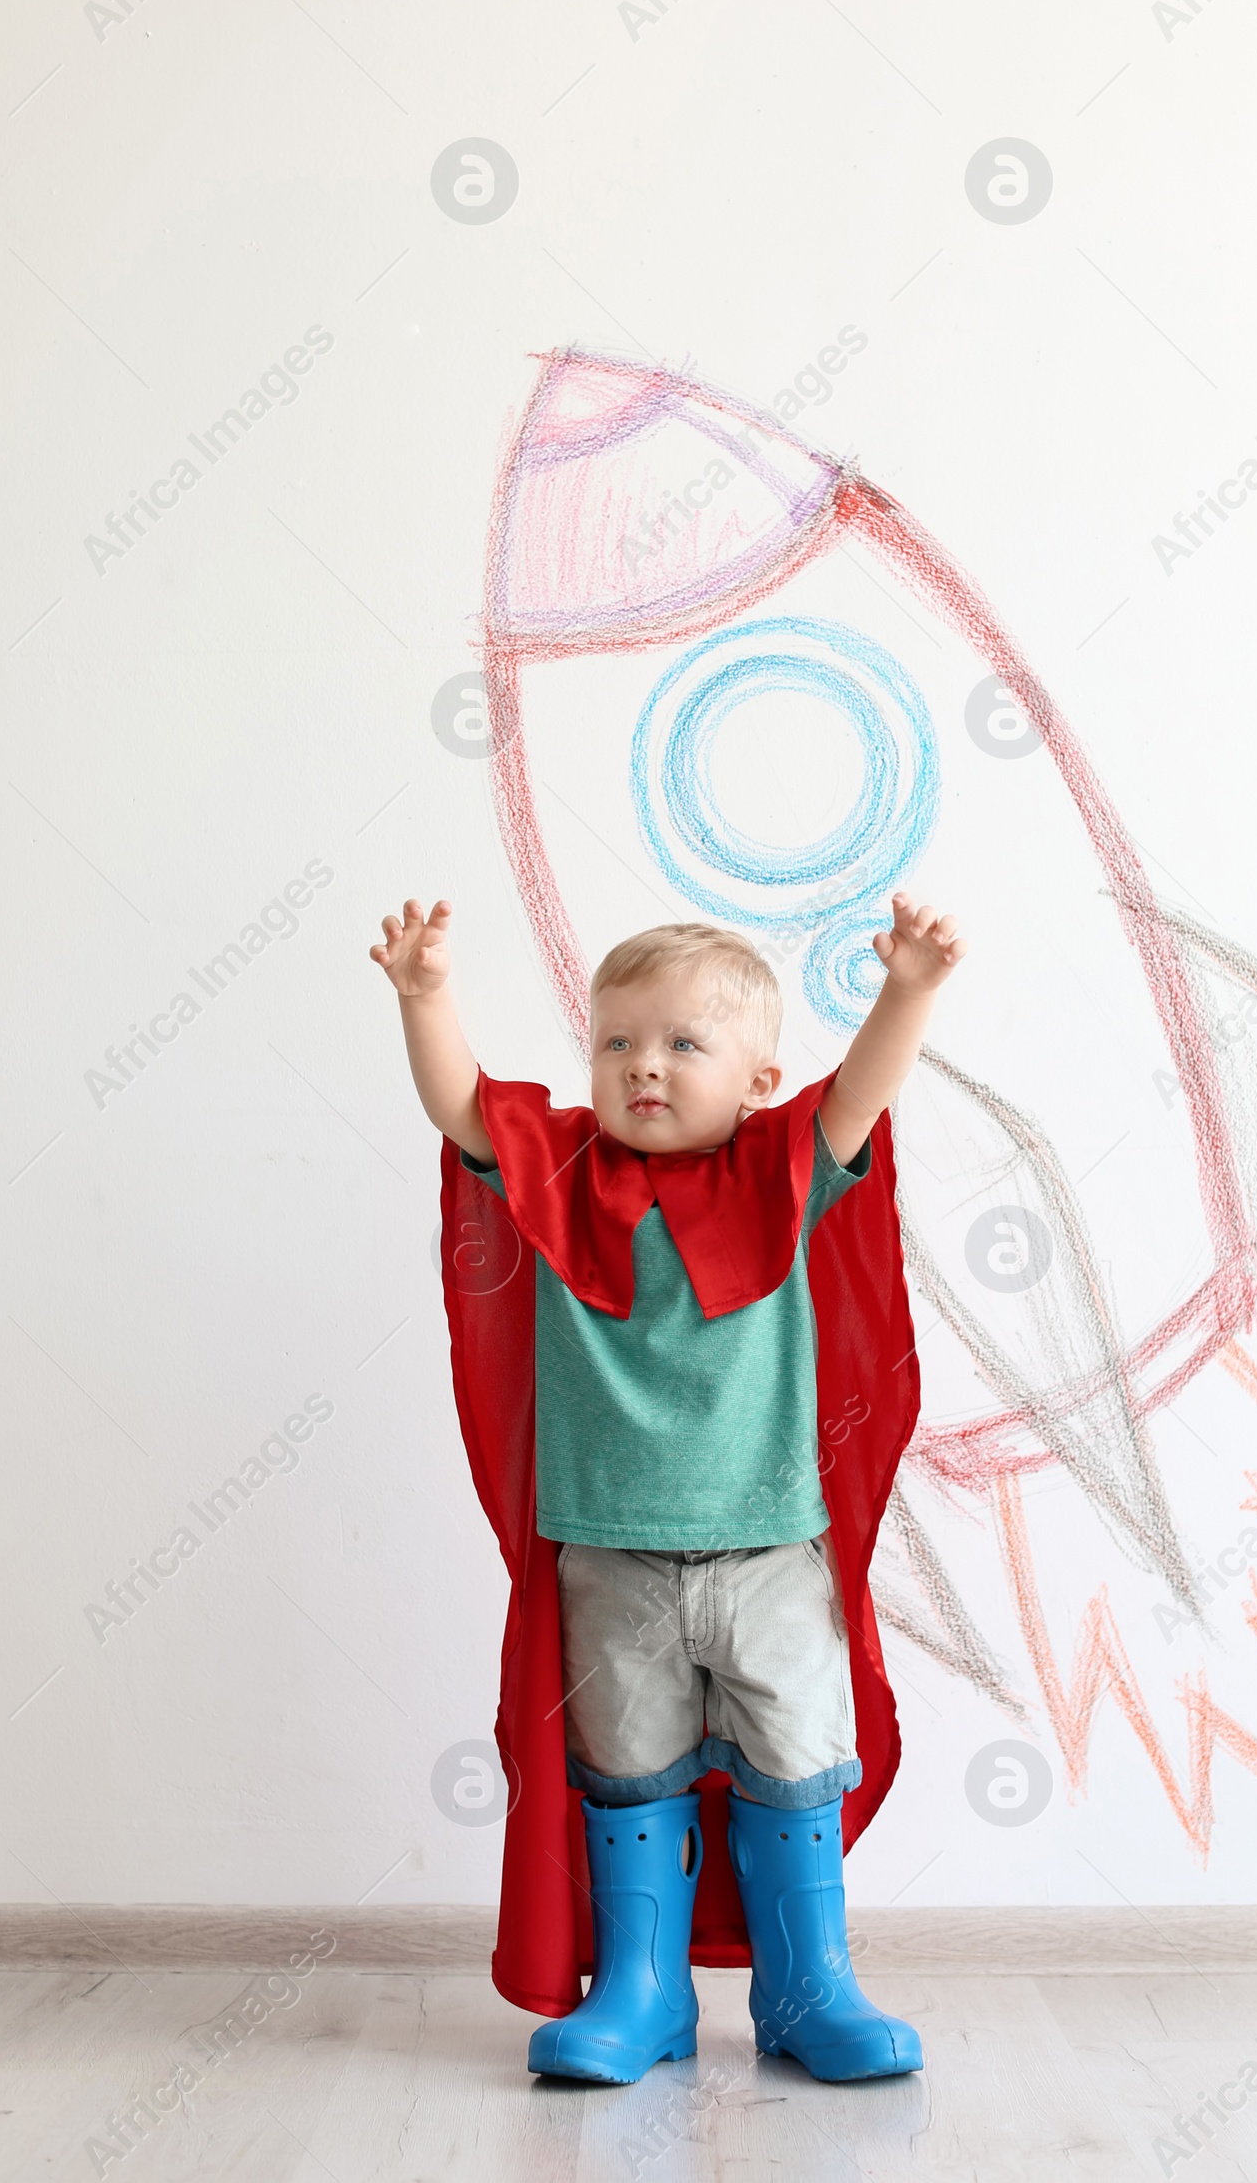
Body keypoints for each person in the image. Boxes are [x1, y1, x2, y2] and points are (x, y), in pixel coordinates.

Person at [372, 889, 966, 2083]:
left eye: (684, 1044)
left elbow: (859, 1098)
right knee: (627, 1775)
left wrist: (907, 990)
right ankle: (641, 1995)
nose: (644, 1067)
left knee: (793, 1766)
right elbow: (462, 1110)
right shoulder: (557, 1176)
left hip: (768, 1554)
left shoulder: (783, 1174)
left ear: (755, 1081)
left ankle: (807, 1992)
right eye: (618, 1042)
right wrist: (426, 995)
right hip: (606, 1552)